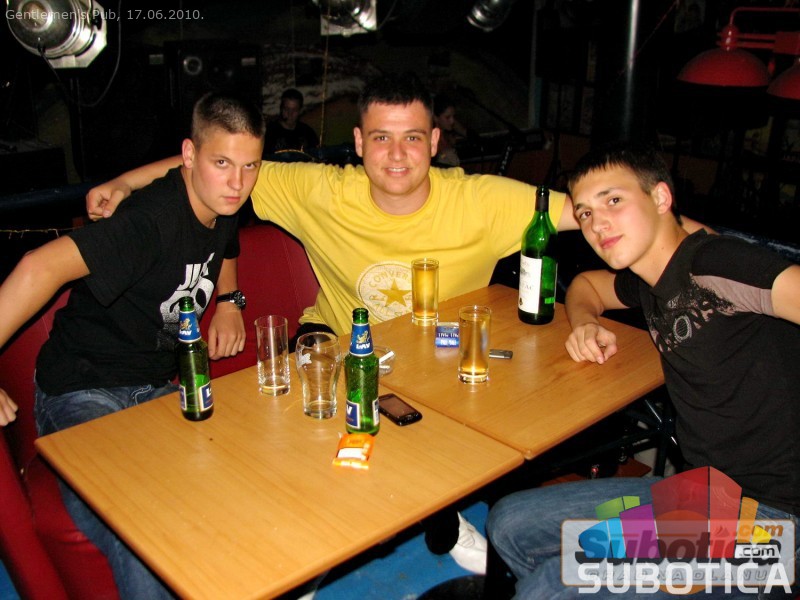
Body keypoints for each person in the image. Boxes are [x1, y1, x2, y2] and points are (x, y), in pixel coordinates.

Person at [84, 74, 706, 575]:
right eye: (381, 137)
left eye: (412, 137)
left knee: (478, 409)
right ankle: (319, 543)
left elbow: (609, 214)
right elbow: (208, 169)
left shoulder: (483, 200)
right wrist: (120, 183)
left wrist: (718, 255)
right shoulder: (319, 189)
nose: (397, 154)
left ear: (434, 141)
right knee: (334, 391)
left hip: (440, 364)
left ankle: (436, 515)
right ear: (358, 142)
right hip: (336, 347)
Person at [486, 143, 800, 598]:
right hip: (701, 499)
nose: (597, 224)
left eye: (613, 200)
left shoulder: (717, 263)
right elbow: (587, 285)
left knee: (559, 583)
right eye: (585, 213)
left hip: (772, 526)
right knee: (511, 523)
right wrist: (585, 322)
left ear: (660, 197)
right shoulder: (650, 279)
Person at [0, 92, 265, 598]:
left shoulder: (224, 198)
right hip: (83, 389)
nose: (237, 183)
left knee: (240, 479)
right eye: (222, 164)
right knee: (136, 522)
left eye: (249, 165)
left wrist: (230, 301)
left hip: (155, 389)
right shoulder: (150, 221)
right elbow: (38, 266)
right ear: (190, 156)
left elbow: (225, 238)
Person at [263, 88, 319, 156]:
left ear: (300, 111)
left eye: (294, 110)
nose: (290, 113)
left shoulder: (307, 132)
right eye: (287, 109)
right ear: (281, 108)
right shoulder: (270, 132)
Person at [432, 93, 469, 167]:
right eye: (447, 117)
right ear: (436, 118)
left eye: (453, 116)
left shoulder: (448, 136)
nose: (452, 121)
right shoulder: (432, 141)